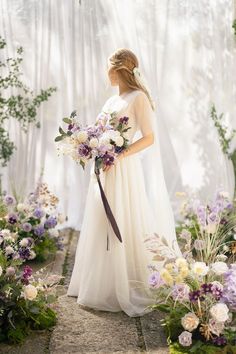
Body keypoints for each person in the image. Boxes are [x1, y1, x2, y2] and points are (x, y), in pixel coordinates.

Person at [67, 48, 181, 317]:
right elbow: (99, 130)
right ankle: (99, 283)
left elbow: (149, 137)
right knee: (100, 220)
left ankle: (124, 282)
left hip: (123, 168)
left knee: (121, 217)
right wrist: (88, 142)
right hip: (105, 168)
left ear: (118, 69)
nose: (105, 72)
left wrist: (119, 154)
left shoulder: (138, 97)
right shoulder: (111, 100)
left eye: (108, 67)